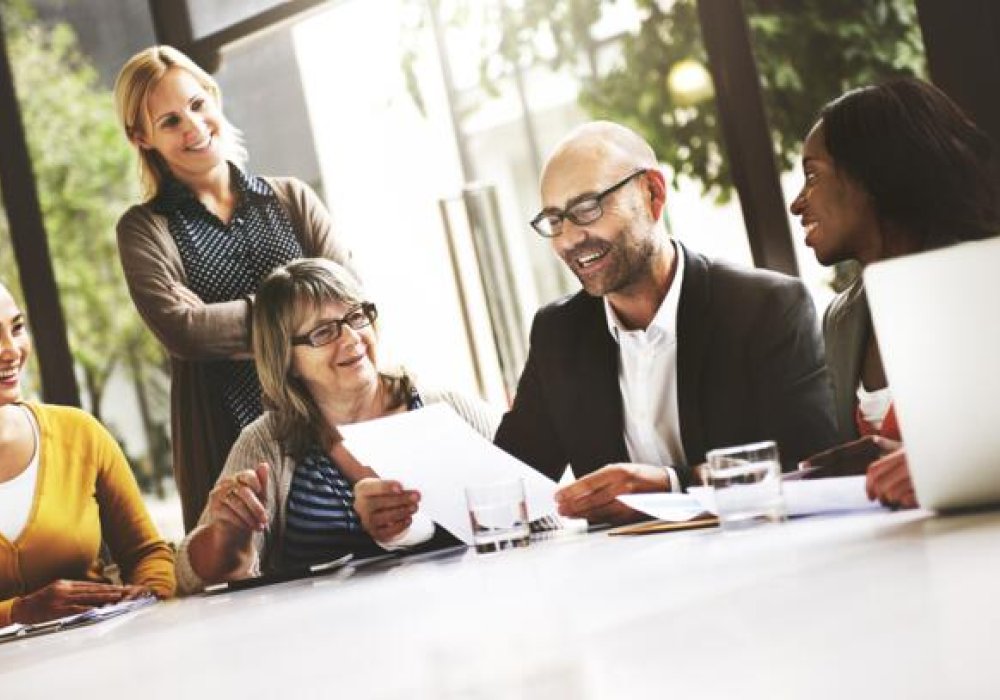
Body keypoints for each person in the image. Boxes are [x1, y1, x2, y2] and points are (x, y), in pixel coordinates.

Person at [494, 121, 838, 524]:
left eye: (587, 209)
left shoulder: (766, 308)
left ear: (653, 194)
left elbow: (811, 466)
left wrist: (674, 484)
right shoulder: (558, 335)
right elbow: (505, 487)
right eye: (554, 220)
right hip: (625, 564)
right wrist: (421, 515)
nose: (568, 239)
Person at [113, 46, 354, 531]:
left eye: (197, 105)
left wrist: (228, 325)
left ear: (214, 98)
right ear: (141, 137)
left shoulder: (292, 199)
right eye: (170, 121)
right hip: (224, 441)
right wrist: (301, 323)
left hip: (328, 423)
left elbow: (346, 300)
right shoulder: (144, 229)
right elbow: (185, 331)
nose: (193, 127)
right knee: (249, 567)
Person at [175, 259, 499, 593]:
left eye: (356, 317)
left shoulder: (448, 408)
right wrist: (225, 538)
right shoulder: (266, 441)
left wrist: (412, 527)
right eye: (323, 332)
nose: (351, 338)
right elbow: (189, 580)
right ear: (287, 360)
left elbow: (527, 508)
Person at [791, 78, 1000, 508]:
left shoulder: (985, 280)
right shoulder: (841, 319)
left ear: (871, 175)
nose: (797, 203)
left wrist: (944, 465)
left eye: (812, 175)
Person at [0, 282, 175, 625]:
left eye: (17, 328)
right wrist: (17, 612)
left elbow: (148, 553)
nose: (11, 350)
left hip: (101, 652)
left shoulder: (79, 433)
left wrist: (147, 597)